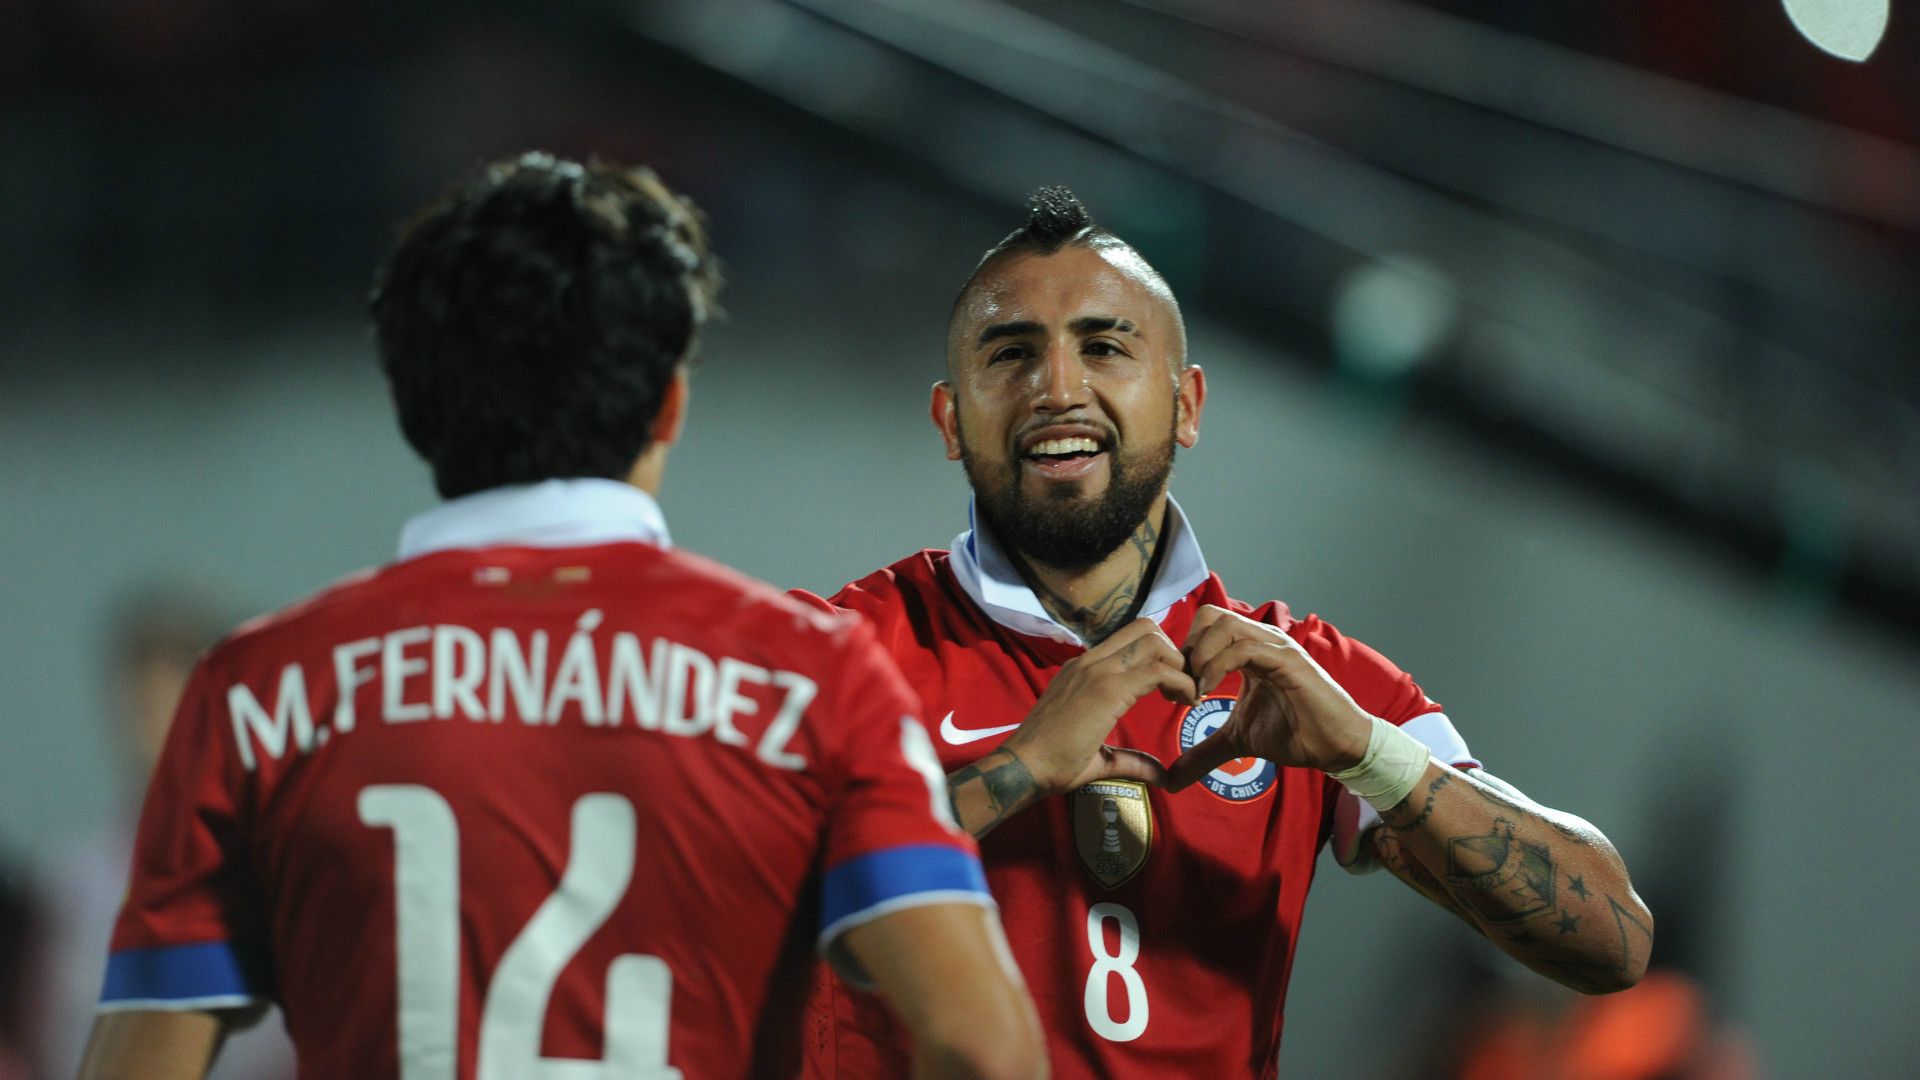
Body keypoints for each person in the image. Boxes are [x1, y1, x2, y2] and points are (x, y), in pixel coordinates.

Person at [77, 153, 1044, 1080]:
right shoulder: (815, 676)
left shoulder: (254, 692)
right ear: (669, 406)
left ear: (413, 404)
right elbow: (985, 1050)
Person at [795, 187, 1652, 1079]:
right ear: (950, 419)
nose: (1058, 389)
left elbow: (1614, 943)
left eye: (1104, 347)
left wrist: (1372, 756)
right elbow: (733, 896)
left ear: (1188, 405)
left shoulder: (1302, 675)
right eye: (1012, 354)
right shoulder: (832, 652)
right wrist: (1022, 766)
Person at [41, 586, 297, 1080]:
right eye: (138, 705)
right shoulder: (75, 878)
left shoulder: (274, 869)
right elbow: (49, 1038)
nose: (149, 727)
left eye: (165, 703)